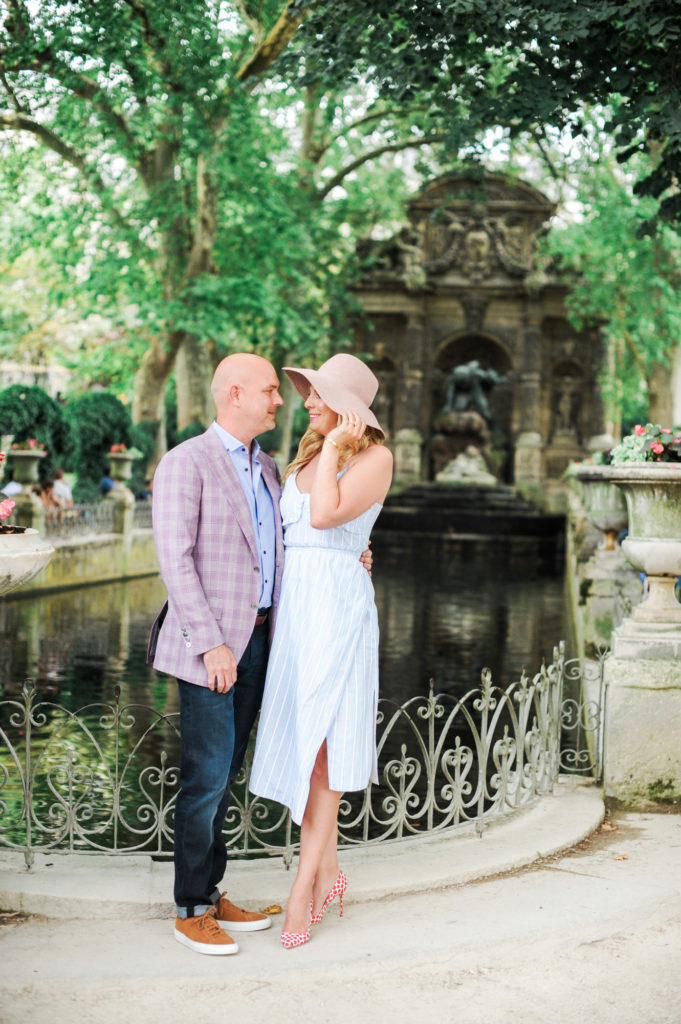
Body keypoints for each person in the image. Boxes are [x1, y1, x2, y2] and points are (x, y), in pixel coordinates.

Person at [147, 353, 372, 957]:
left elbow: (300, 534)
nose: (281, 401)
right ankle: (191, 908)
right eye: (272, 391)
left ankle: (211, 892)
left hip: (268, 640)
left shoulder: (272, 467)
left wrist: (356, 554)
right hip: (211, 648)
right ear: (235, 393)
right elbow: (175, 561)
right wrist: (211, 643)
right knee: (203, 780)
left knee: (223, 779)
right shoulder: (184, 462)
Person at [249, 353, 393, 949]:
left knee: (328, 760)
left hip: (336, 607)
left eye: (318, 393)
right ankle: (331, 874)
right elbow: (292, 534)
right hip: (297, 609)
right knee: (306, 753)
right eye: (308, 392)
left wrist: (336, 446)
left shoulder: (375, 457)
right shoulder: (307, 453)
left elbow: (330, 514)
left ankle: (300, 895)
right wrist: (325, 447)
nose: (306, 400)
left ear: (349, 407)